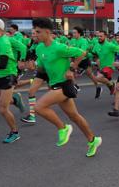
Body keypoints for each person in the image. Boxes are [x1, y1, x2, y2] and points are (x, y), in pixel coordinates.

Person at [32, 18, 102, 157]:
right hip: (54, 86)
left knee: (38, 107)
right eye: (34, 32)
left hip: (64, 85)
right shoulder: (39, 48)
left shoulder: (59, 47)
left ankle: (63, 128)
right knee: (74, 116)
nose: (35, 34)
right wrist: (34, 82)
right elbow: (42, 69)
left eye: (38, 32)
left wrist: (72, 68)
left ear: (47, 32)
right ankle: (93, 140)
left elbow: (81, 53)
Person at [91, 31, 118, 98]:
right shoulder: (96, 45)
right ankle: (118, 97)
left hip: (109, 67)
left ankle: (112, 84)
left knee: (98, 78)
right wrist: (96, 59)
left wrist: (118, 61)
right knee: (108, 84)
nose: (99, 38)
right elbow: (94, 54)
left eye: (101, 36)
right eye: (98, 36)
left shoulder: (110, 45)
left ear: (105, 36)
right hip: (101, 67)